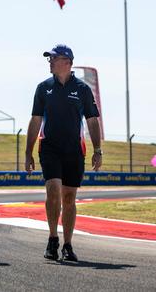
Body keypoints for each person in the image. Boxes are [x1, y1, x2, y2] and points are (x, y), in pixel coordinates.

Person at [25, 44, 102, 262]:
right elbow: (35, 120)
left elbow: (92, 120)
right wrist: (28, 152)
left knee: (69, 197)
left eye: (53, 58)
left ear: (67, 62)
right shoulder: (43, 88)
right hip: (49, 148)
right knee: (53, 190)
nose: (50, 62)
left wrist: (97, 150)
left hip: (74, 150)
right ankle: (52, 238)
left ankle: (67, 244)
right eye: (49, 58)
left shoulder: (82, 89)